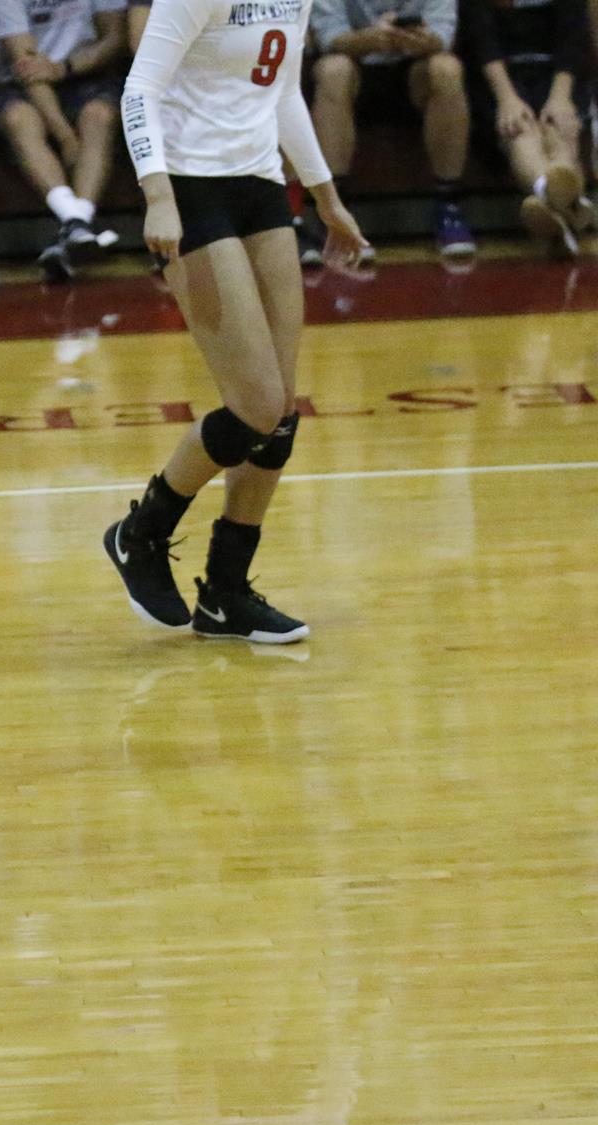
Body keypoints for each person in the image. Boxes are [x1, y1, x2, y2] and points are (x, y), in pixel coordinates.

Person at [102, 0, 370, 643]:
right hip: (189, 189)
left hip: (259, 184)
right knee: (254, 403)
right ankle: (142, 531)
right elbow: (138, 90)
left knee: (279, 413)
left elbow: (282, 93)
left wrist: (328, 199)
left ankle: (225, 592)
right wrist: (157, 195)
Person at [309, 0, 475, 258]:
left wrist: (417, 39)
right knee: (332, 70)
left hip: (413, 70)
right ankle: (333, 212)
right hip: (356, 65)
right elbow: (328, 37)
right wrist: (371, 39)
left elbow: (443, 34)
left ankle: (448, 204)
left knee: (447, 68)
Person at [0, 0, 129, 280]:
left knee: (99, 116)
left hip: (85, 74)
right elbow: (27, 66)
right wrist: (64, 136)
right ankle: (77, 222)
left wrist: (65, 68)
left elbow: (114, 38)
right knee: (19, 120)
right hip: (21, 83)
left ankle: (76, 222)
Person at [461, 0, 594, 256]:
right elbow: (481, 38)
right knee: (520, 130)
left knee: (559, 127)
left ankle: (548, 203)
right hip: (502, 79)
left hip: (559, 75)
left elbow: (574, 34)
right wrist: (506, 98)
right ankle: (569, 205)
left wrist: (561, 97)